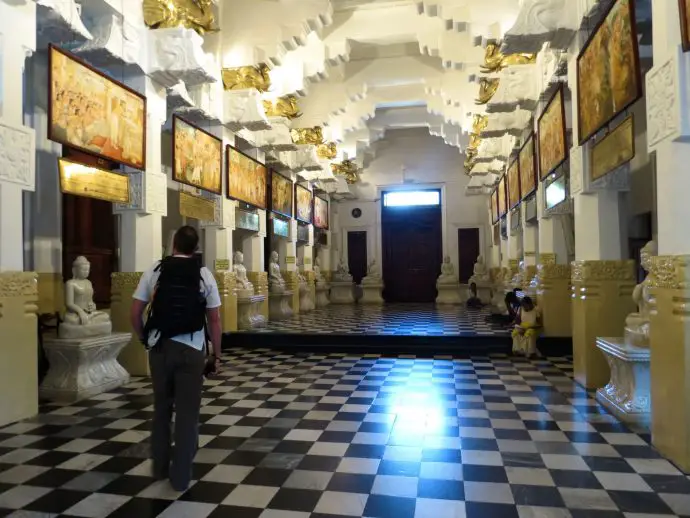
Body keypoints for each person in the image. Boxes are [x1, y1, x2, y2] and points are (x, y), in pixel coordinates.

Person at [130, 226, 223, 492]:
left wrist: (144, 338)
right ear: (195, 248)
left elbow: (135, 313)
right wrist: (217, 355)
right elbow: (214, 320)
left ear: (173, 244)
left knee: (161, 408)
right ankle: (180, 477)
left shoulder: (156, 270)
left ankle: (159, 468)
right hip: (191, 351)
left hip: (159, 349)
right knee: (187, 414)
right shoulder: (204, 275)